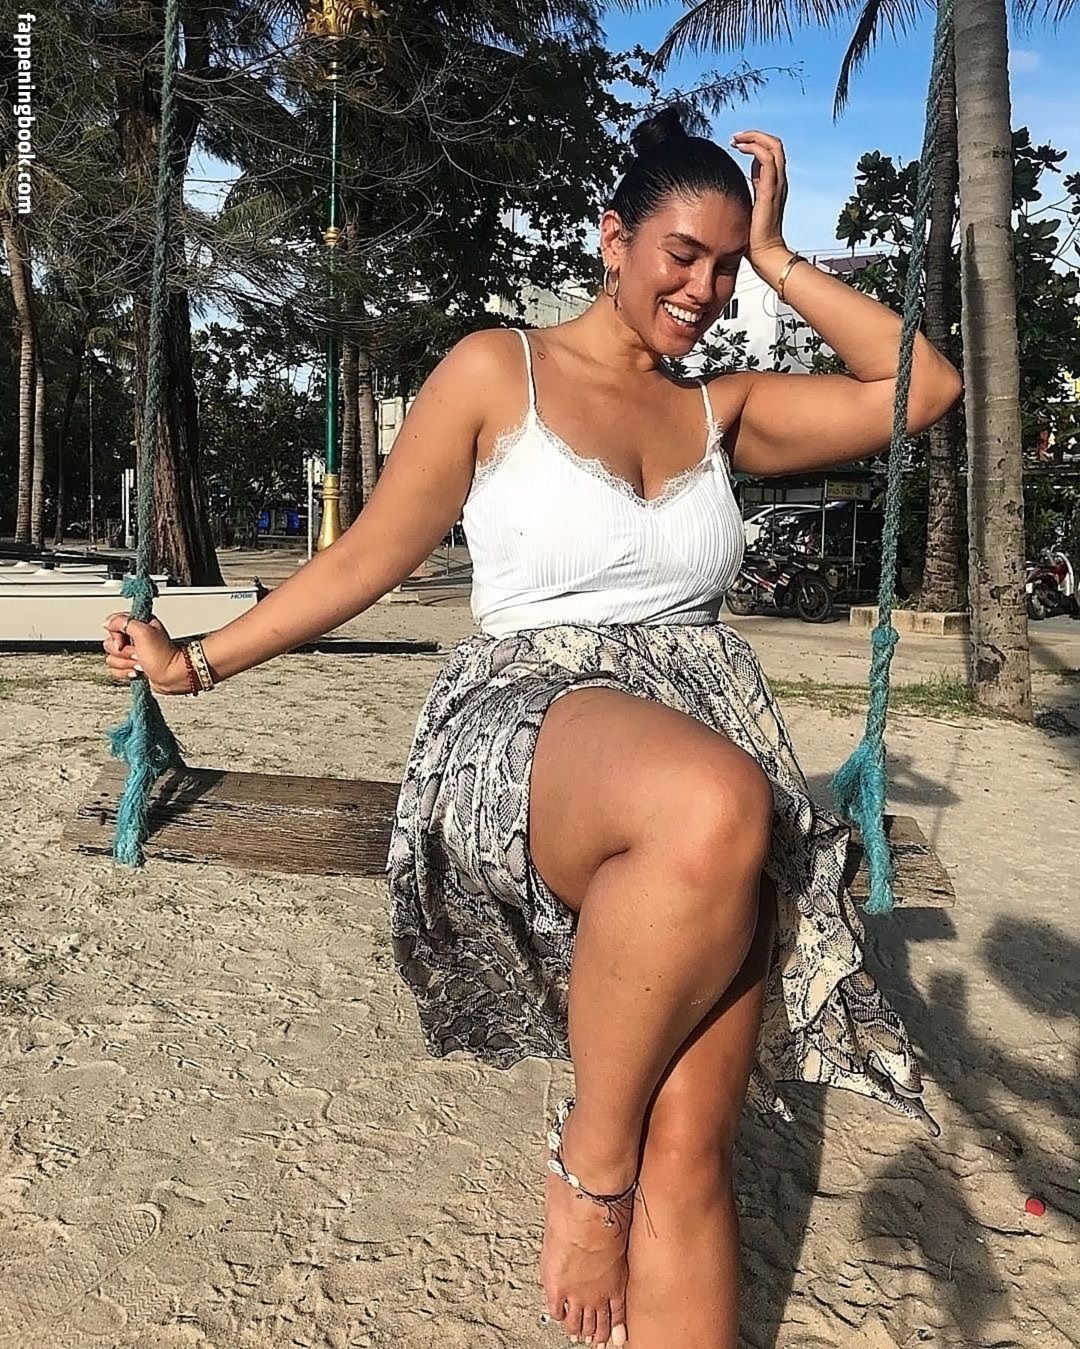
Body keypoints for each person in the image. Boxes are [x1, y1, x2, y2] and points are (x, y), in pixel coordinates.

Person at [103, 110, 961, 1349]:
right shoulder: (497, 370)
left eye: (725, 267)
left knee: (694, 1144)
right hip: (524, 727)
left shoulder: (723, 410)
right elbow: (367, 557)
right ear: (611, 239)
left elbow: (923, 385)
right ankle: (588, 1172)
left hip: (703, 742)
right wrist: (197, 664)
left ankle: (634, 1194)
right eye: (682, 254)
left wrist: (780, 257)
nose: (705, 289)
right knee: (715, 803)